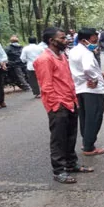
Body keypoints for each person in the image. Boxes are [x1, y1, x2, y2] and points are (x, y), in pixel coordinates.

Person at [33, 27, 93, 184]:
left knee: (70, 136)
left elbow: (67, 79)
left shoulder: (62, 56)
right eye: (62, 38)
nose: (66, 40)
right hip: (58, 105)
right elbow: (46, 86)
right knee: (58, 139)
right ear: (51, 41)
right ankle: (59, 171)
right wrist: (55, 105)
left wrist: (74, 99)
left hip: (70, 102)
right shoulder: (44, 59)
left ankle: (71, 164)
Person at [68, 28, 104, 156]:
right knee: (94, 117)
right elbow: (87, 68)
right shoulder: (86, 52)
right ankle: (89, 147)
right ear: (86, 39)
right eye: (94, 38)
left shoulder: (73, 51)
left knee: (85, 117)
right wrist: (95, 78)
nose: (96, 40)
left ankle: (86, 141)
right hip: (92, 90)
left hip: (79, 88)